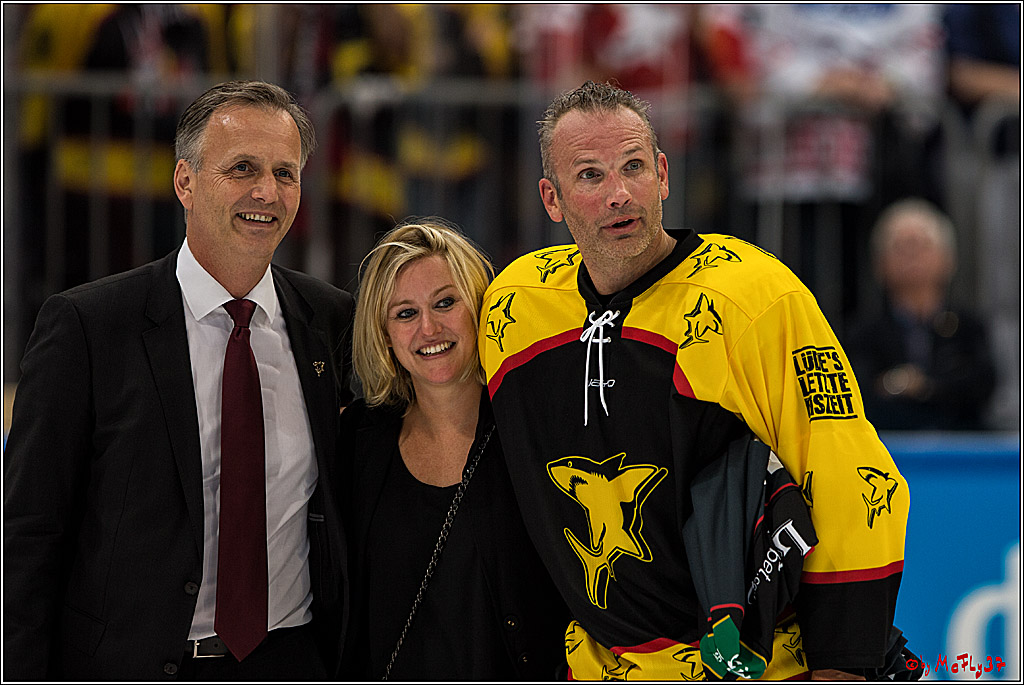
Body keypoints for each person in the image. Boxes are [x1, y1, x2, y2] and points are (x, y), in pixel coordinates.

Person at [478, 81, 911, 680]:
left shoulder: (753, 296)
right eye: (590, 175)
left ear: (662, 174)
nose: (619, 193)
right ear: (552, 199)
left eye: (633, 167)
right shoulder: (515, 306)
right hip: (601, 666)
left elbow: (849, 474)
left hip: (761, 666)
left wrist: (845, 664)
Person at [3, 81, 354, 680]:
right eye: (242, 168)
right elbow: (29, 534)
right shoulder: (89, 327)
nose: (267, 192)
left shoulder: (332, 321)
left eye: (285, 173)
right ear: (185, 182)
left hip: (290, 663)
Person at [338, 220, 569, 680]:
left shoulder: (536, 430)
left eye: (445, 303)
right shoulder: (356, 441)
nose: (429, 328)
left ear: (480, 307)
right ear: (384, 334)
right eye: (405, 313)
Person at [847, 199, 996, 431]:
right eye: (900, 247)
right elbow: (860, 391)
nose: (911, 256)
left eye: (921, 245)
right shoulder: (863, 333)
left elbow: (982, 385)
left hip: (961, 441)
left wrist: (923, 386)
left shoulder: (970, 327)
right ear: (879, 263)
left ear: (948, 259)